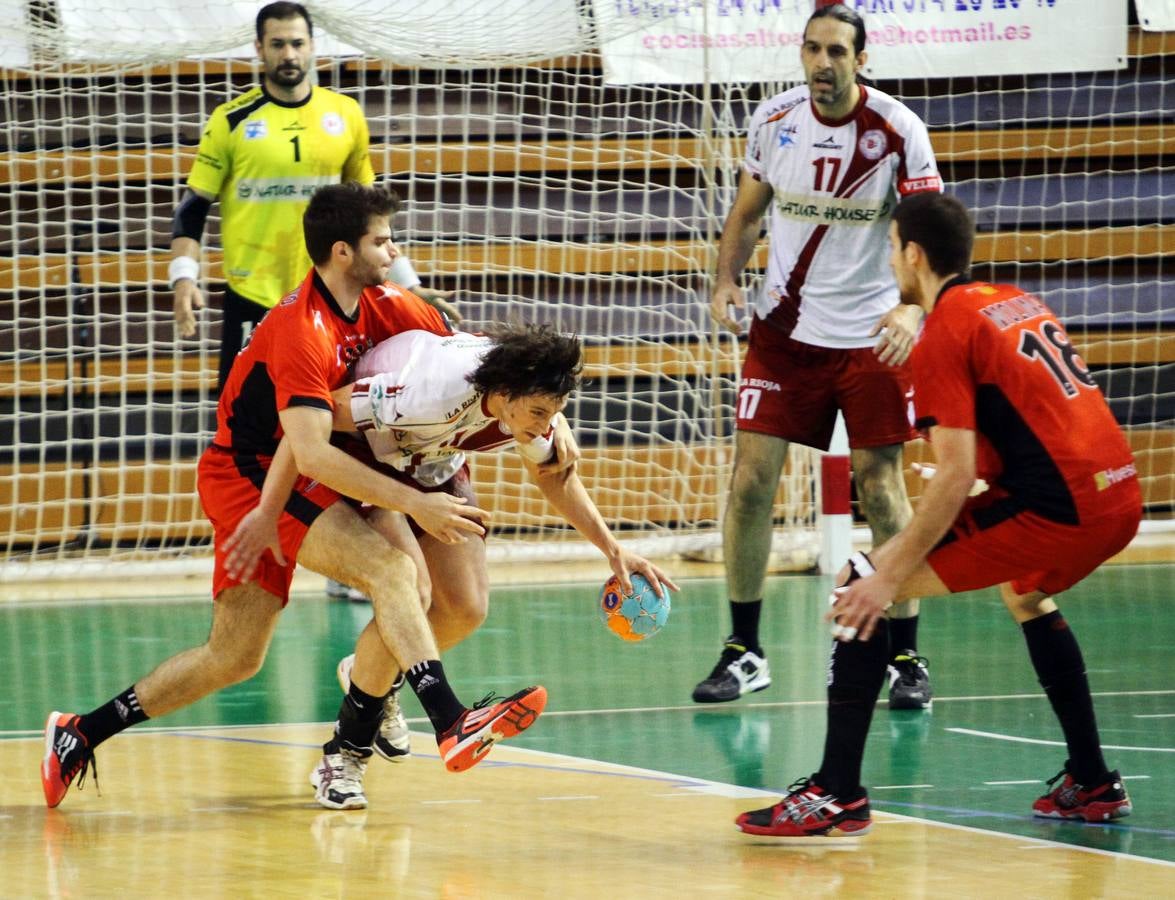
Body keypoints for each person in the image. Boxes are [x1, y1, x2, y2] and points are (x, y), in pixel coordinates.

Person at [42, 182, 547, 814]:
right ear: (342, 252)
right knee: (299, 623)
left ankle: (86, 732)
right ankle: (448, 719)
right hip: (252, 475)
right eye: (382, 241)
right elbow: (308, 454)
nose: (394, 252)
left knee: (339, 613)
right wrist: (415, 503)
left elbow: (485, 366)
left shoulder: (394, 306)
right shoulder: (300, 329)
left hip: (324, 464)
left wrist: (549, 425)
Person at [735, 191, 1141, 838]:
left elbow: (953, 476)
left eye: (892, 247)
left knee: (859, 586)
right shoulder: (1014, 301)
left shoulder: (943, 331)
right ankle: (1091, 781)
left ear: (914, 255)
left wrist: (887, 575)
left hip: (1059, 508)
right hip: (1117, 494)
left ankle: (836, 792)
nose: (889, 259)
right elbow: (1033, 421)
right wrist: (979, 477)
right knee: (1024, 595)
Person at [224, 324, 679, 770]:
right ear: (505, 393)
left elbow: (554, 477)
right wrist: (274, 508)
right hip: (365, 455)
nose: (546, 425)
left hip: (432, 459)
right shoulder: (423, 391)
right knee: (410, 590)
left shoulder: (528, 405)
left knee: (466, 606)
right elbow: (313, 428)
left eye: (553, 414)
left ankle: (371, 671)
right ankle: (347, 755)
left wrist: (613, 549)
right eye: (541, 413)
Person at [169, 2, 459, 603]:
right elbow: (193, 208)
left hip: (335, 305)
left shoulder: (344, 115)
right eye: (277, 43)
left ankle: (352, 558)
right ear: (259, 49)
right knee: (254, 433)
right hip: (258, 300)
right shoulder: (232, 120)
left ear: (312, 46)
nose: (289, 54)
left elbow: (369, 216)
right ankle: (254, 548)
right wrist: (184, 276)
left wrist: (408, 284)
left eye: (298, 42)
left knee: (345, 424)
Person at [696, 3, 941, 711]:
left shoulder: (897, 129)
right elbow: (747, 213)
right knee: (750, 482)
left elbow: (930, 233)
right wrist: (724, 279)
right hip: (784, 332)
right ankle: (744, 651)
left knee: (881, 489)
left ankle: (905, 654)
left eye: (836, 51)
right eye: (812, 49)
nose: (822, 63)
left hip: (872, 336)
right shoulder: (774, 120)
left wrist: (913, 307)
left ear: (861, 60)